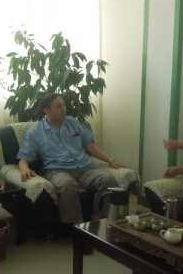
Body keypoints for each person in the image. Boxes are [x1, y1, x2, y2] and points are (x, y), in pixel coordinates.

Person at [17, 93, 127, 235]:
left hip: (84, 169)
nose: (64, 109)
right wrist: (24, 169)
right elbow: (24, 157)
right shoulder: (36, 132)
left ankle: (95, 224)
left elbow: (90, 146)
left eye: (64, 104)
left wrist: (110, 160)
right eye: (59, 106)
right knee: (66, 185)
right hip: (57, 171)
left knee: (108, 179)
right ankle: (80, 230)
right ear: (47, 111)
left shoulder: (72, 123)